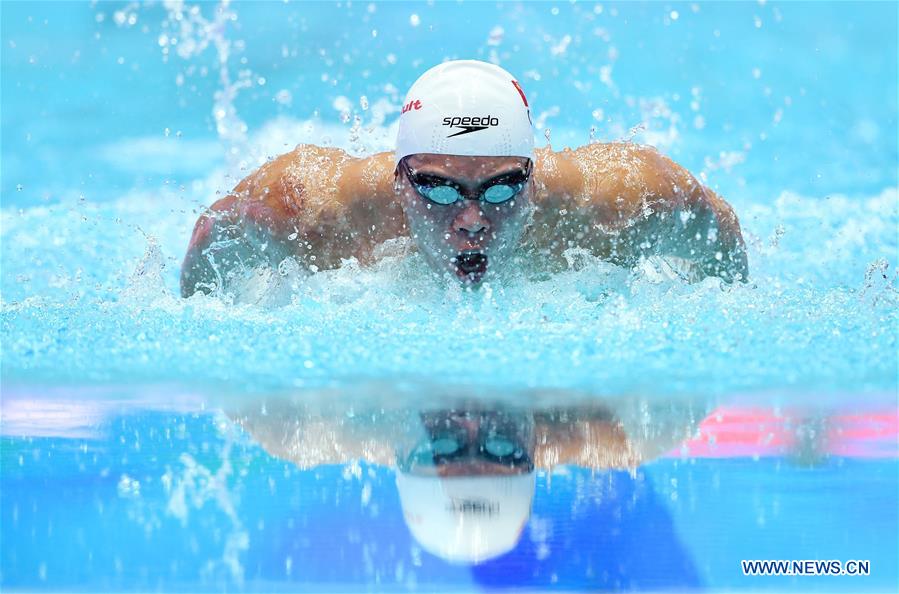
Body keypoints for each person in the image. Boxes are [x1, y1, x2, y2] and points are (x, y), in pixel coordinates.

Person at [181, 60, 748, 297]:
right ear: (398, 181)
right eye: (438, 188)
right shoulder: (320, 208)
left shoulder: (615, 199)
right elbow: (217, 232)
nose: (472, 221)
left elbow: (715, 225)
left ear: (534, 178)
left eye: (502, 188)